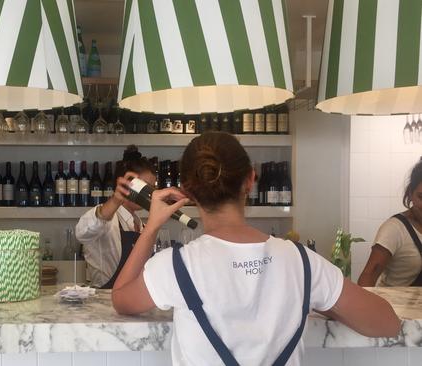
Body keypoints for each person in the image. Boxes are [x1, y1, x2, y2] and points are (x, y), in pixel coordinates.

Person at [111, 132, 400, 365]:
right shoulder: (301, 262)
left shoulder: (175, 265)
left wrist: (151, 227)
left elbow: (121, 300)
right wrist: (322, 302)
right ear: (250, 179)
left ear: (187, 190)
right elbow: (387, 323)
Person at [75, 145, 156, 289]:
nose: (150, 194)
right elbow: (82, 233)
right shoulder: (107, 219)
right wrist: (114, 201)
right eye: (145, 187)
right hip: (105, 304)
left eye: (152, 188)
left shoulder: (142, 226)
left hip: (134, 302)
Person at [358, 159, 422, 287]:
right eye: (421, 197)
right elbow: (368, 276)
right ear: (410, 194)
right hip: (397, 306)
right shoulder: (394, 229)